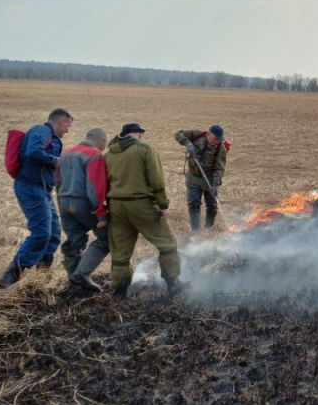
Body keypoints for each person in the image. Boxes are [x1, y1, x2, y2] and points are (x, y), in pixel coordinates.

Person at [0, 108, 73, 287]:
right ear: (61, 122)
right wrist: (57, 161)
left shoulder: (53, 138)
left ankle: (41, 276)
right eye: (67, 126)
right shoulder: (42, 131)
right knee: (41, 233)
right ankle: (10, 276)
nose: (68, 131)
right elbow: (33, 151)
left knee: (53, 234)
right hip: (31, 187)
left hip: (43, 190)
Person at [104, 123, 181, 297]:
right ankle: (173, 283)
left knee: (120, 252)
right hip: (141, 204)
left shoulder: (109, 154)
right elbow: (156, 179)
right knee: (167, 243)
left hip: (116, 205)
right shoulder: (145, 149)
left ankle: (119, 291)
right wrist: (163, 205)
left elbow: (104, 182)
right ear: (138, 134)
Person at [57, 128, 110, 294]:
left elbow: (57, 181)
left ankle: (76, 287)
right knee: (106, 239)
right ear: (101, 140)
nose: (104, 147)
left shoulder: (65, 153)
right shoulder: (94, 154)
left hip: (64, 202)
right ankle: (82, 274)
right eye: (105, 144)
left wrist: (61, 204)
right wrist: (101, 212)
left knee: (74, 242)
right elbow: (94, 186)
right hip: (83, 203)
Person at [174, 124, 226, 231]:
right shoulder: (196, 135)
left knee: (212, 205)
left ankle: (208, 228)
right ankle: (196, 232)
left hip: (209, 179)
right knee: (193, 204)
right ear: (208, 133)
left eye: (219, 140)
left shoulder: (221, 148)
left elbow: (219, 168)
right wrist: (187, 143)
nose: (216, 141)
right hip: (193, 177)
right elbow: (178, 133)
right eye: (215, 139)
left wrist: (215, 185)